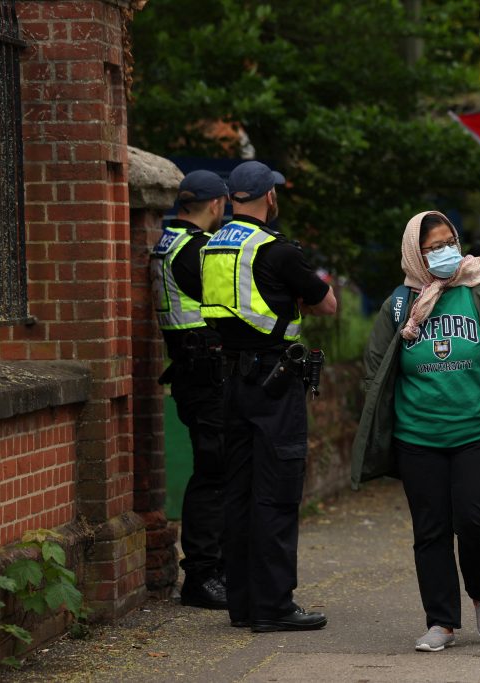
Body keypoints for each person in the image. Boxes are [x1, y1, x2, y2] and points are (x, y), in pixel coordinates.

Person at [350, 211, 480, 653]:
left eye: (450, 241)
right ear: (415, 251)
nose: (446, 251)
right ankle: (441, 622)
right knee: (430, 530)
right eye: (433, 247)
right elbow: (376, 367)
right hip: (418, 438)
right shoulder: (400, 304)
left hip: (475, 433)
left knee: (475, 521)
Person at [200, 160, 337, 632]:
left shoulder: (212, 247)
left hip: (231, 383)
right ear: (268, 197)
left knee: (238, 494)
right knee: (276, 495)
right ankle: (275, 606)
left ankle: (242, 604)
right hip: (274, 385)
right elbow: (327, 304)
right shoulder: (278, 252)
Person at [150, 170, 230, 609]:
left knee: (211, 472)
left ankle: (211, 569)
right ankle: (203, 575)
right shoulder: (198, 250)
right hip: (206, 375)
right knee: (213, 475)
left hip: (188, 372)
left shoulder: (166, 242)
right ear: (216, 205)